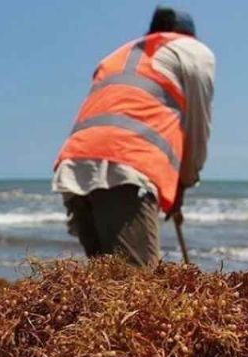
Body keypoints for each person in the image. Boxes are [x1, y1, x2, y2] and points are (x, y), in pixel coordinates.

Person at [52, 6, 215, 267]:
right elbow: (198, 124)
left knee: (108, 290)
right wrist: (184, 182)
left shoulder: (118, 55)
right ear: (188, 34)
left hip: (76, 167)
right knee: (138, 294)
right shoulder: (192, 50)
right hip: (125, 166)